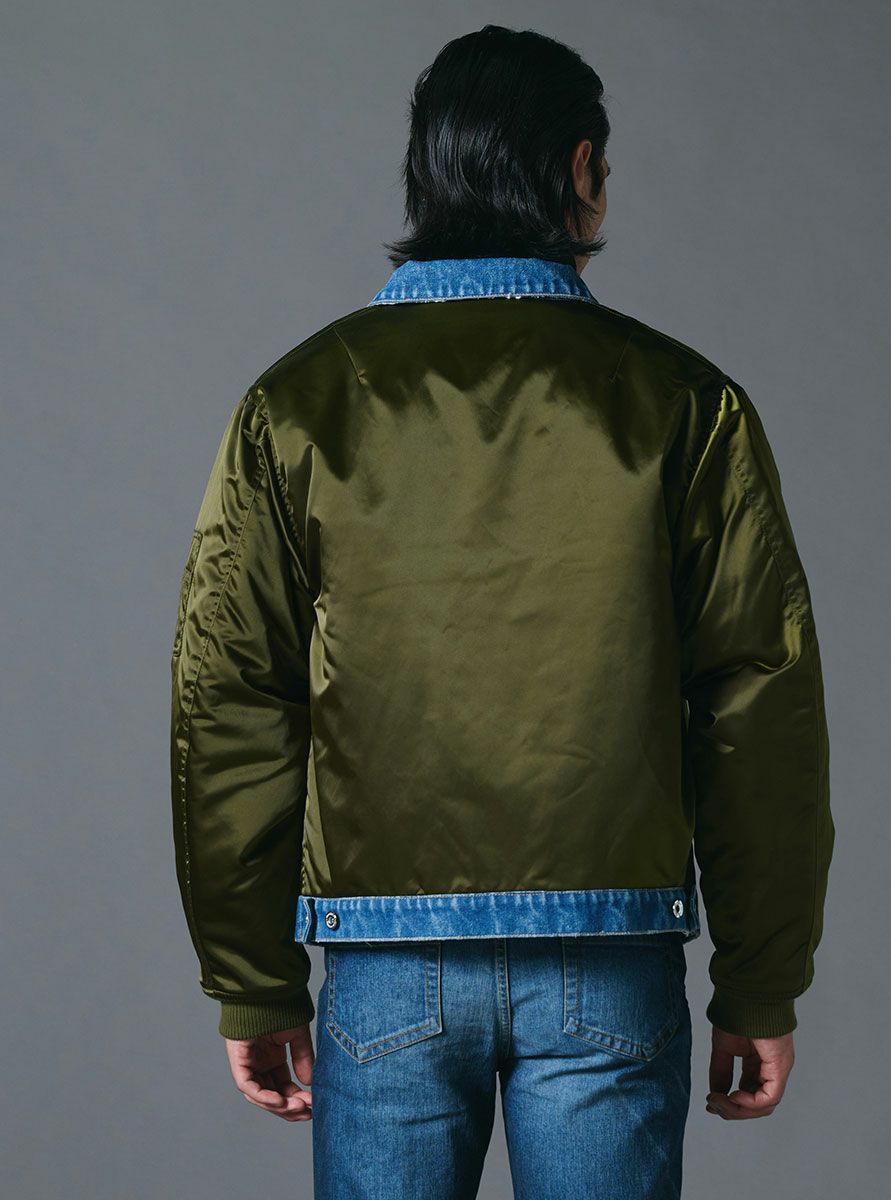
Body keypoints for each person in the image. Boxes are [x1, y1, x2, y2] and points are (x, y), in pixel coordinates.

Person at [169, 23, 834, 1200]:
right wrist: (759, 979)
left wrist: (253, 980)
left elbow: (230, 698)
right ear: (580, 170)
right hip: (609, 955)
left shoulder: (299, 402)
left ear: (426, 176)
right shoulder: (685, 403)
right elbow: (755, 703)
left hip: (385, 962)